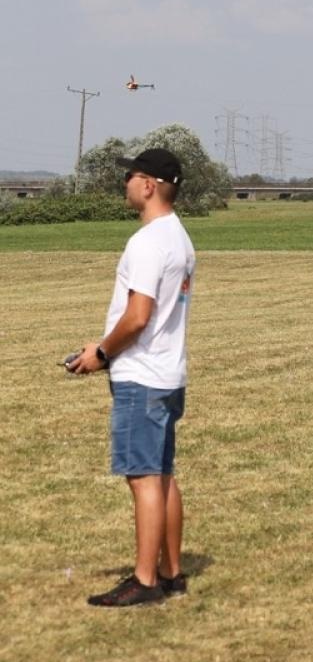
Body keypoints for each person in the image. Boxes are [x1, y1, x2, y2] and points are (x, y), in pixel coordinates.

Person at [70, 148, 196, 607]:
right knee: (162, 475)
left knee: (142, 477)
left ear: (149, 185)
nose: (125, 182)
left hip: (141, 376)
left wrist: (100, 352)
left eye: (131, 176)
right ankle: (172, 571)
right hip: (168, 373)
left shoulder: (146, 242)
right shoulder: (179, 237)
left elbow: (138, 316)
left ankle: (145, 582)